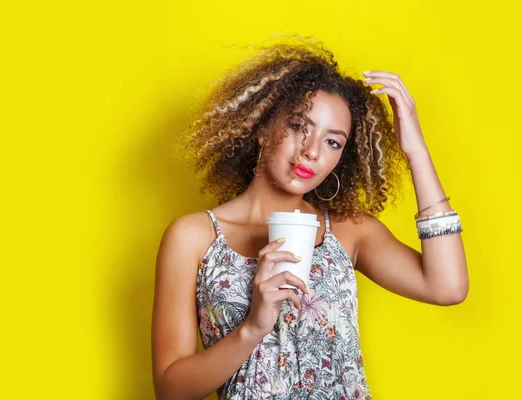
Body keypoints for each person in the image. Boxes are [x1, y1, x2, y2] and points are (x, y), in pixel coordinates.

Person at [151, 36, 468, 400]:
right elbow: (170, 390)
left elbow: (448, 287)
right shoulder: (194, 237)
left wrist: (415, 151)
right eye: (300, 125)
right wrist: (252, 328)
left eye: (333, 142)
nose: (312, 150)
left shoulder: (348, 232)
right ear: (262, 126)